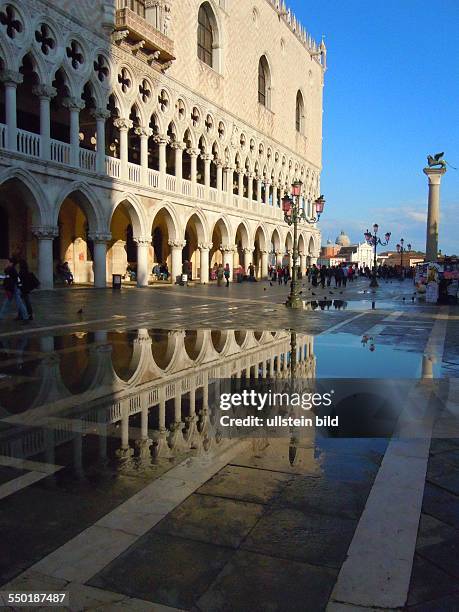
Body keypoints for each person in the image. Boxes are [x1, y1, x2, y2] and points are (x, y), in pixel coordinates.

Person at [0, 257, 29, 322]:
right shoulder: (10, 269)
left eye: (8, 262)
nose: (6, 263)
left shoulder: (11, 269)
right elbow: (6, 277)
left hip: (14, 288)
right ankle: (1, 316)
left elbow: (8, 276)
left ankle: (26, 317)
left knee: (19, 303)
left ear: (11, 263)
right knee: (7, 303)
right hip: (12, 288)